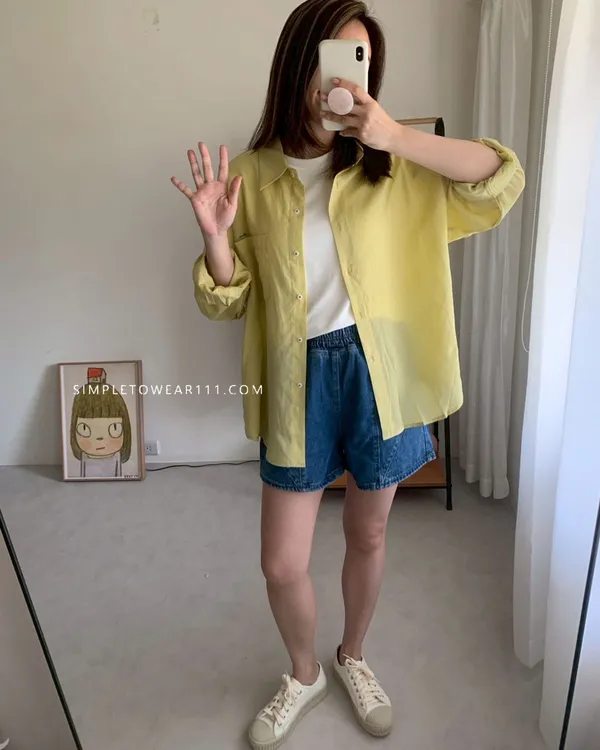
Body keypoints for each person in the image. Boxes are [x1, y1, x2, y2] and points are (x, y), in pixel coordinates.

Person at [171, 1, 525, 746]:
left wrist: (393, 136)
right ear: (299, 62)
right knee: (281, 563)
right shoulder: (253, 175)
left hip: (380, 372)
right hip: (297, 378)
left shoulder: (393, 167)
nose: (344, 78)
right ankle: (303, 673)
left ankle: (353, 655)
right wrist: (215, 238)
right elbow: (227, 299)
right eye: (334, 55)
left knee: (369, 532)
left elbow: (500, 179)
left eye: (360, 61)